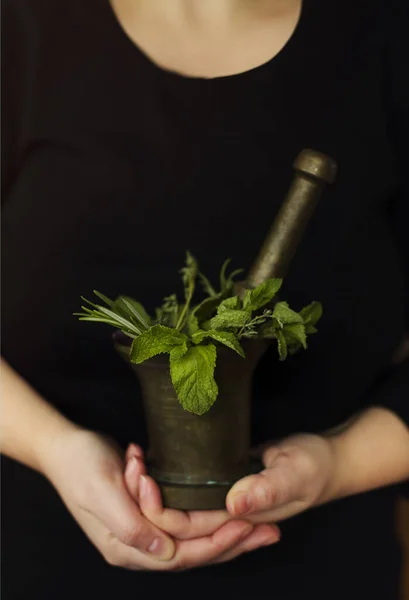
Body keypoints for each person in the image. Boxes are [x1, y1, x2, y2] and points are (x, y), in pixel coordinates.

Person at [1, 0, 408, 598]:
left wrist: (338, 464)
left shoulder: (387, 34)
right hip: (39, 563)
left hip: (327, 570)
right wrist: (56, 449)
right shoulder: (20, 29)